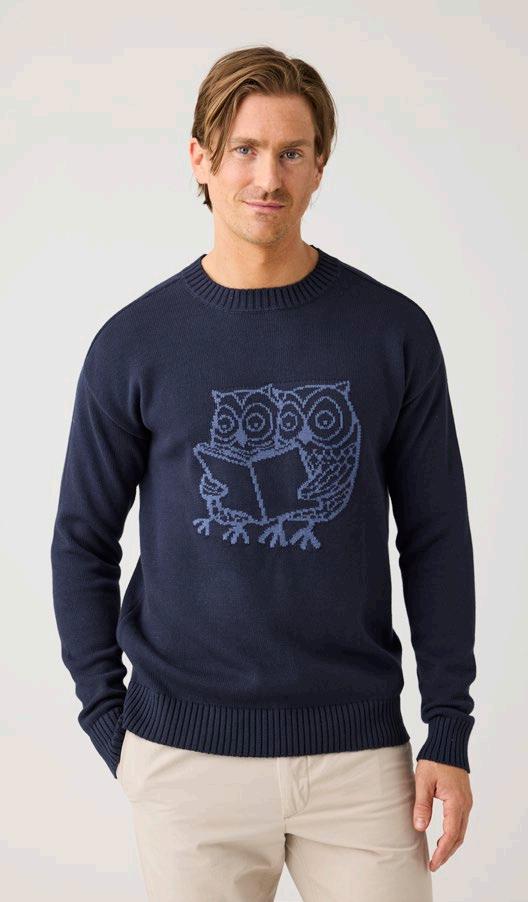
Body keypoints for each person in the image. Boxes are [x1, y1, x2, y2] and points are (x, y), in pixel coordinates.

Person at [50, 44, 476, 902]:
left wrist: (448, 729)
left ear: (320, 165)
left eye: (291, 152)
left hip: (360, 759)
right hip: (184, 760)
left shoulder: (392, 332)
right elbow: (82, 540)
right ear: (200, 159)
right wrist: (108, 722)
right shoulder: (135, 344)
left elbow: (434, 537)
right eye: (243, 149)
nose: (267, 177)